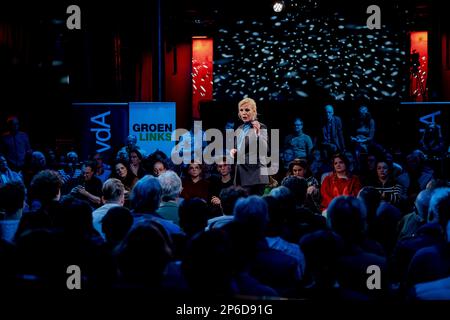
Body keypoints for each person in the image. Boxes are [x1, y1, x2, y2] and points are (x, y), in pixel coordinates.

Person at [230, 98, 269, 195]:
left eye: (247, 110)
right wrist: (233, 151)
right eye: (241, 110)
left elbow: (265, 150)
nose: (244, 113)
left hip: (255, 175)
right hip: (240, 175)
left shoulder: (261, 127)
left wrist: (258, 134)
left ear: (254, 111)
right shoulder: (239, 129)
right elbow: (239, 149)